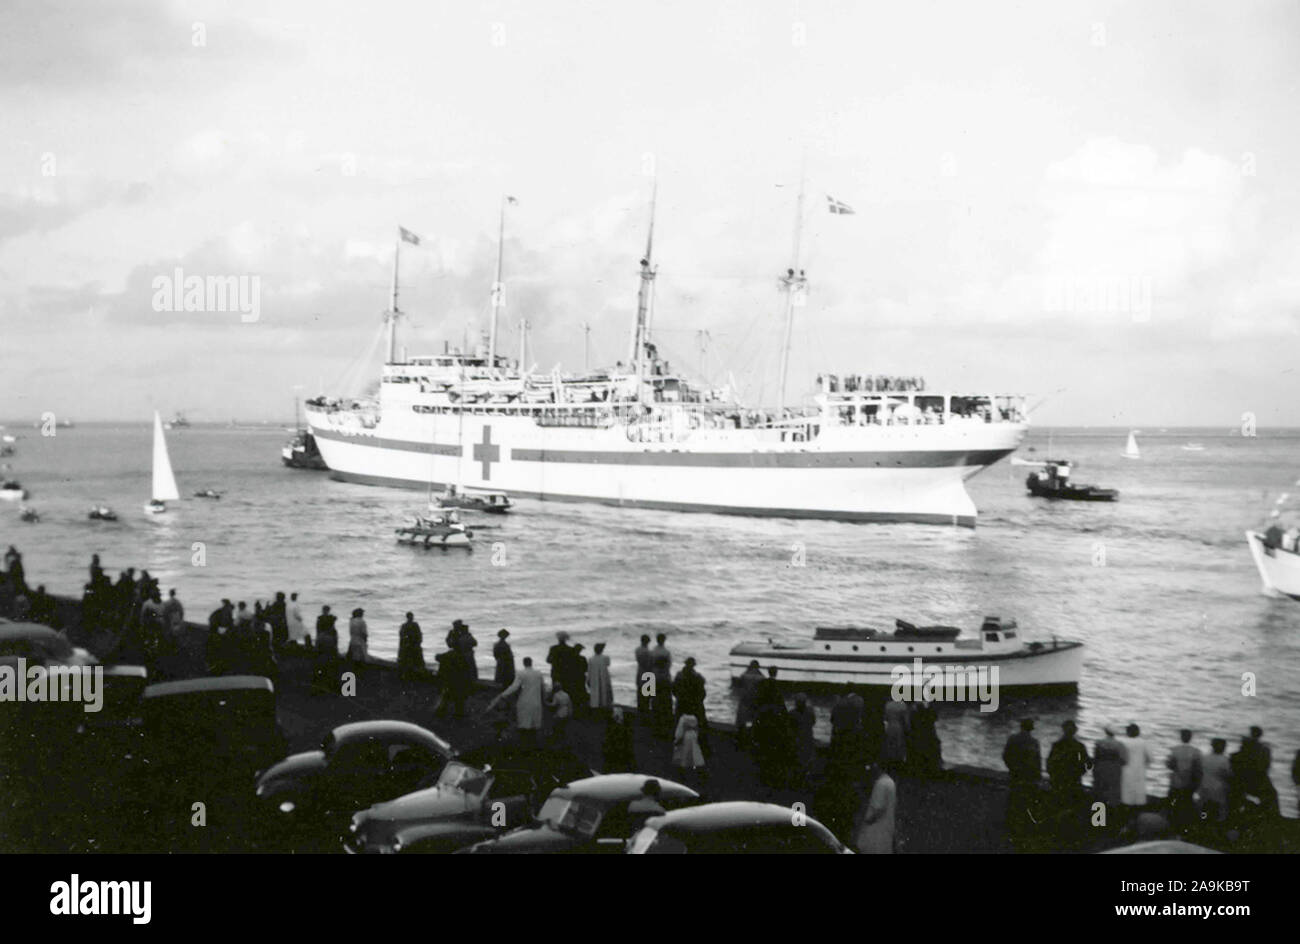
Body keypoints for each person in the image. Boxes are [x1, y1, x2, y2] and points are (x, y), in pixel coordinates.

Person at [486, 656, 545, 749]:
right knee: (534, 725)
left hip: (525, 701)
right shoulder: (539, 674)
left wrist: (503, 694)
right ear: (531, 663)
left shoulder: (521, 673)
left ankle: (524, 746)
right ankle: (534, 745)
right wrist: (545, 700)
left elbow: (514, 687)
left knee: (524, 724)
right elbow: (543, 689)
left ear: (524, 663)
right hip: (537, 702)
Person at [1002, 719, 1041, 837]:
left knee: (1013, 797)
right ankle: (1025, 825)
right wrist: (1037, 776)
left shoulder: (1013, 739)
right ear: (1031, 729)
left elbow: (1005, 755)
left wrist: (1011, 768)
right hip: (1029, 776)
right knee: (1027, 799)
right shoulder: (1034, 742)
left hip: (1015, 774)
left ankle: (1010, 822)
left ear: (1021, 727)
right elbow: (1037, 762)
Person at [1231, 726, 1279, 816]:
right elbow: (1265, 767)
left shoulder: (1246, 746)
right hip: (1255, 780)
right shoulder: (1263, 748)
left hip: (1242, 780)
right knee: (1272, 794)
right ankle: (1273, 816)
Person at [853, 762, 898, 854]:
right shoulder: (890, 782)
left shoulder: (881, 783)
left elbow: (877, 808)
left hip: (876, 831)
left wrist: (867, 819)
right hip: (886, 829)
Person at [1165, 729, 1203, 831]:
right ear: (1190, 738)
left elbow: (1169, 765)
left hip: (1176, 782)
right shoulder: (1196, 752)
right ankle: (1184, 827)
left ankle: (1171, 825)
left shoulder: (1175, 750)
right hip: (1188, 784)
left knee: (1173, 805)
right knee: (1186, 805)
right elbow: (1198, 770)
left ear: (1181, 737)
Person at [1046, 720, 1092, 803]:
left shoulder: (1056, 745)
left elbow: (1049, 763)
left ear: (1063, 730)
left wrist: (1053, 775)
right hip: (1074, 780)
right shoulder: (1079, 746)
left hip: (1058, 780)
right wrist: (1080, 772)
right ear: (1075, 731)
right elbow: (1088, 764)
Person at [672, 657, 708, 742]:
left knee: (678, 719)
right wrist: (698, 701)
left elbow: (673, 689)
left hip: (681, 702)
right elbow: (702, 693)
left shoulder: (679, 675)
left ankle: (676, 737)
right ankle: (703, 738)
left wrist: (678, 697)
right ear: (693, 665)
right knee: (702, 719)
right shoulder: (698, 677)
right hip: (694, 703)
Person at [1093, 727, 1128, 809]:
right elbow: (1124, 761)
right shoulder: (1120, 744)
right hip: (1114, 770)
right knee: (1113, 793)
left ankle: (1098, 816)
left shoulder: (1099, 743)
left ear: (1105, 732)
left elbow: (1095, 758)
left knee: (1099, 791)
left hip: (1100, 768)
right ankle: (1112, 813)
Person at [1118, 723, 1150, 810]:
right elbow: (1149, 758)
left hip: (1127, 770)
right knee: (1139, 793)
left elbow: (1120, 757)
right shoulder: (1144, 743)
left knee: (1126, 793)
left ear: (1128, 732)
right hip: (1140, 770)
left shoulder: (1123, 742)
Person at [1199, 738, 1231, 823]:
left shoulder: (1204, 758)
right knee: (1223, 808)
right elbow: (1229, 775)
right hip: (1218, 791)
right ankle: (1220, 822)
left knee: (1203, 809)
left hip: (1204, 788)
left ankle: (1202, 821)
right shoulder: (1225, 760)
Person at [734, 660, 764, 747]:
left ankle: (739, 739)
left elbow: (739, 685)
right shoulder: (761, 677)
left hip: (744, 701)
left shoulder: (744, 675)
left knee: (741, 721)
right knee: (755, 721)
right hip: (754, 701)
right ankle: (753, 740)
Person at [909, 698, 942, 776]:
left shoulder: (915, 709)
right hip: (927, 733)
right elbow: (935, 718)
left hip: (921, 734)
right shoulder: (927, 709)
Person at [673, 714, 706, 788]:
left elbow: (680, 730)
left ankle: (684, 771)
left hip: (685, 737)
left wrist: (677, 738)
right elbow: (697, 728)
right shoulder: (694, 717)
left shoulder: (683, 718)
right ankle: (694, 769)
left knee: (684, 754)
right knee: (694, 753)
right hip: (693, 735)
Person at [791, 692, 817, 779]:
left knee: (797, 759)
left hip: (797, 739)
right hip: (808, 737)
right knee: (807, 759)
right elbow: (813, 722)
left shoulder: (792, 713)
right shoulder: (810, 711)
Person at [882, 698, 911, 767]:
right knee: (899, 744)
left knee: (890, 744)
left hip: (890, 726)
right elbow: (906, 720)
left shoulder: (888, 704)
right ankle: (899, 762)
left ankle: (890, 761)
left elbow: (885, 718)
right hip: (898, 726)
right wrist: (908, 729)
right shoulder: (902, 705)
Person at [586, 641, 613, 715]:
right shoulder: (605, 658)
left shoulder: (591, 659)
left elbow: (589, 670)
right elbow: (608, 664)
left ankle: (595, 710)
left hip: (594, 678)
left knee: (595, 695)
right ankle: (603, 709)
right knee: (604, 694)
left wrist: (588, 680)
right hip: (604, 677)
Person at [397, 612, 426, 679]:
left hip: (413, 645)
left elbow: (419, 635)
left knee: (417, 660)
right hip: (409, 646)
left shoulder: (413, 625)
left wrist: (418, 642)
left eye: (412, 617)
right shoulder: (406, 626)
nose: (411, 618)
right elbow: (402, 636)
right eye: (410, 617)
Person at [634, 635, 653, 717]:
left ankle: (640, 712)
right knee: (647, 696)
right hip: (648, 674)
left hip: (640, 672)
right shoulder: (648, 652)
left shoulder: (637, 650)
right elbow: (649, 665)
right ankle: (645, 714)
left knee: (640, 693)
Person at [548, 682, 573, 747]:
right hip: (566, 712)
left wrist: (547, 704)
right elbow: (570, 704)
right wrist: (570, 712)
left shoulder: (556, 695)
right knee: (563, 727)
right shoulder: (566, 694)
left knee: (556, 726)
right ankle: (564, 740)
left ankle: (555, 739)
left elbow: (554, 704)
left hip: (559, 713)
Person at [570, 644, 590, 713]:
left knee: (574, 692)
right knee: (581, 691)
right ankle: (582, 709)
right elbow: (586, 669)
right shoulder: (582, 658)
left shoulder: (570, 658)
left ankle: (575, 708)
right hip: (581, 677)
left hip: (572, 678)